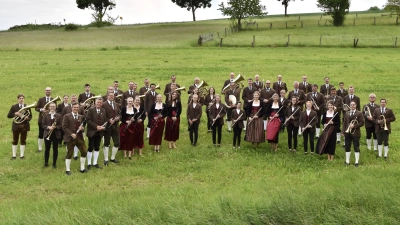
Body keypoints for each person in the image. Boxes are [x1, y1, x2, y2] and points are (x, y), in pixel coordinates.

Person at [62, 103, 87, 175]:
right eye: (74, 107)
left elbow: (82, 127)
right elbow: (64, 127)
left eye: (77, 107)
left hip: (79, 138)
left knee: (84, 152)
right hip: (70, 138)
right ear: (71, 108)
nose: (76, 108)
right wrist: (71, 134)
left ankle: (82, 168)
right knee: (69, 154)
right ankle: (67, 170)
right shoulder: (67, 116)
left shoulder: (81, 116)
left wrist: (82, 129)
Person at [7, 94, 32, 160]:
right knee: (15, 140)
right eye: (20, 98)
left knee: (23, 140)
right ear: (18, 99)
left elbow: (30, 116)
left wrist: (27, 118)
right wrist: (15, 114)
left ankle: (22, 155)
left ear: (24, 99)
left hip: (24, 126)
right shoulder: (14, 106)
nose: (21, 99)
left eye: (22, 98)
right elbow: (9, 115)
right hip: (16, 126)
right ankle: (14, 155)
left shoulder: (27, 106)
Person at [341, 101, 365, 166]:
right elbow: (345, 123)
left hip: (356, 133)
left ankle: (356, 162)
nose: (352, 106)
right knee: (347, 147)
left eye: (353, 105)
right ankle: (347, 161)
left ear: (356, 105)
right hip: (347, 133)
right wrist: (343, 132)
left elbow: (362, 123)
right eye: (351, 105)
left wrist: (354, 126)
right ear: (350, 105)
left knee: (356, 147)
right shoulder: (347, 113)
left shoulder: (359, 113)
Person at [85, 98, 106, 169]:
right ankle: (89, 163)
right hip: (92, 132)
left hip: (100, 132)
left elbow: (105, 120)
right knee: (90, 147)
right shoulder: (90, 110)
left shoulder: (103, 110)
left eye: (100, 103)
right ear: (95, 103)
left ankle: (95, 163)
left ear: (102, 104)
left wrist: (103, 127)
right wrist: (96, 127)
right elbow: (88, 120)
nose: (99, 104)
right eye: (98, 102)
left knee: (97, 147)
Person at [102, 92, 121, 165]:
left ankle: (113, 158)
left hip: (115, 126)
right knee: (106, 143)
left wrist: (118, 118)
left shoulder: (116, 104)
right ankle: (106, 159)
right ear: (107, 97)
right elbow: (102, 115)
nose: (111, 97)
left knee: (117, 143)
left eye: (112, 96)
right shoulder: (104, 104)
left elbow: (120, 113)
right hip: (107, 127)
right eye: (110, 96)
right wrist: (108, 120)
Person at [41, 102, 62, 168]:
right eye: (51, 106)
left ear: (55, 107)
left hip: (56, 134)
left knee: (55, 149)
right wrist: (48, 127)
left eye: (54, 106)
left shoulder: (58, 115)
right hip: (47, 134)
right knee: (47, 149)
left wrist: (55, 127)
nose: (52, 108)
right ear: (49, 107)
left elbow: (61, 125)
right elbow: (42, 125)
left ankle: (54, 164)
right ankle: (46, 163)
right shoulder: (45, 115)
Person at [35, 87, 53, 153]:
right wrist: (41, 110)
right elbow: (36, 108)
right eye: (47, 90)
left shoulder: (53, 99)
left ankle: (48, 147)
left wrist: (49, 110)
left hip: (51, 119)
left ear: (51, 91)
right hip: (42, 119)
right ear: (45, 91)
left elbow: (55, 109)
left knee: (50, 134)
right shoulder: (41, 99)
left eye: (49, 90)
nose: (48, 91)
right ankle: (40, 148)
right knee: (41, 133)